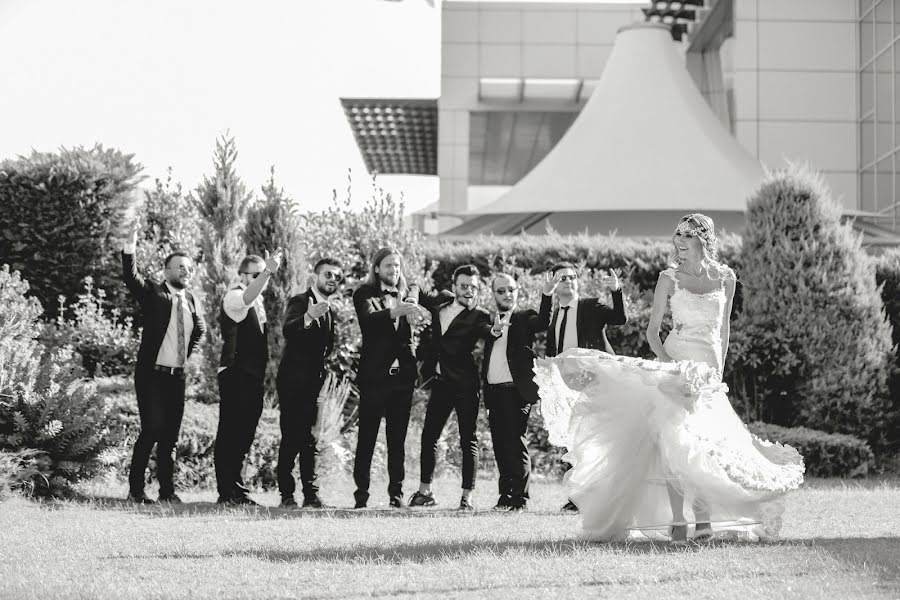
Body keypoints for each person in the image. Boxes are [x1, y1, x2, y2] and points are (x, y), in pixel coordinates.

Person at [535, 213, 805, 543]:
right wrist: (670, 366)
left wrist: (718, 368)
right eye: (677, 234)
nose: (679, 240)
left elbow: (724, 329)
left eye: (687, 235)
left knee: (706, 444)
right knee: (672, 443)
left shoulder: (726, 278)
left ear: (703, 239)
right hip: (674, 363)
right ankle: (678, 520)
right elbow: (651, 333)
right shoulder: (668, 278)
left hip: (708, 371)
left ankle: (703, 519)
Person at [121, 219, 206, 504]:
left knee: (170, 436)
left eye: (190, 268)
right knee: (152, 429)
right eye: (181, 266)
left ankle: (167, 492)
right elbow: (131, 277)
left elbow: (200, 330)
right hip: (151, 375)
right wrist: (131, 242)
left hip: (176, 376)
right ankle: (136, 490)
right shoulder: (155, 294)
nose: (187, 271)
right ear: (167, 270)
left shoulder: (192, 299)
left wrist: (185, 355)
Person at [408, 265, 503, 511]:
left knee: (467, 439)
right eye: (464, 286)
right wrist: (411, 297)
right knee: (429, 436)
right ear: (454, 286)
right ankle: (424, 492)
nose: (468, 291)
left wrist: (494, 330)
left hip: (465, 385)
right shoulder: (440, 303)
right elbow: (417, 288)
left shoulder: (479, 315)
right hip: (441, 383)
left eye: (473, 286)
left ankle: (466, 497)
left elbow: (487, 332)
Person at [541, 261, 627, 512]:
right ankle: (577, 496)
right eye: (563, 278)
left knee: (596, 438)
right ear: (555, 285)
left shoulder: (591, 305)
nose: (569, 281)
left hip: (597, 382)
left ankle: (602, 493)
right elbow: (552, 351)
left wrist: (617, 291)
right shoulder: (555, 314)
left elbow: (619, 318)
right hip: (568, 386)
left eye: (572, 277)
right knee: (573, 440)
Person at [351, 248, 422, 509]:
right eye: (389, 265)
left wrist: (409, 298)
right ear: (377, 268)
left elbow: (417, 287)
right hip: (374, 379)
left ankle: (396, 494)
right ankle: (361, 495)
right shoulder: (364, 293)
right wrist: (396, 311)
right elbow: (368, 320)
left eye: (397, 266)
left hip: (402, 379)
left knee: (397, 440)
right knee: (367, 438)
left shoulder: (405, 293)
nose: (394, 270)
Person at [214, 249, 283, 506]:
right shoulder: (234, 295)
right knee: (231, 431)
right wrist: (267, 272)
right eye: (256, 274)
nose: (262, 279)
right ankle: (226, 491)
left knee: (245, 433)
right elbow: (246, 297)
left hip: (252, 375)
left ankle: (238, 489)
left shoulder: (259, 302)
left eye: (263, 274)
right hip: (235, 372)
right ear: (243, 275)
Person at [276, 258, 343, 509]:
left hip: (315, 383)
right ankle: (286, 494)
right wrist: (307, 316)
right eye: (328, 274)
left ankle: (311, 495)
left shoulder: (330, 310)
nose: (333, 279)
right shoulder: (299, 301)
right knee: (292, 436)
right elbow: (288, 330)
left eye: (337, 276)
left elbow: (326, 349)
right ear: (315, 276)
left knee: (311, 438)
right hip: (293, 380)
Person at [482, 273, 547, 511]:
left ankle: (521, 499)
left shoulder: (524, 317)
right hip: (494, 391)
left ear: (517, 291)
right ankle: (505, 495)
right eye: (501, 291)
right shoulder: (489, 320)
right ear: (493, 294)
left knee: (515, 443)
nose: (507, 294)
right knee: (500, 444)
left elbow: (542, 322)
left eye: (511, 289)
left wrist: (547, 296)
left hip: (516, 393)